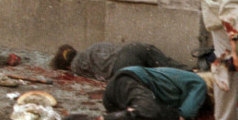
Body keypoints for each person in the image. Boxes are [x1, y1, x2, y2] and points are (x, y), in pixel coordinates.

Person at [61, 66, 208, 120]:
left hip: (121, 98)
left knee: (158, 115)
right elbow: (200, 84)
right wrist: (185, 115)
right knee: (167, 116)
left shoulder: (178, 87)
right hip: (128, 82)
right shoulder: (195, 81)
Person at [51, 42, 188, 81]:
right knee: (171, 66)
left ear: (66, 66)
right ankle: (196, 72)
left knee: (161, 79)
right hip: (136, 47)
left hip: (123, 64)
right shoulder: (92, 48)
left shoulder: (75, 67)